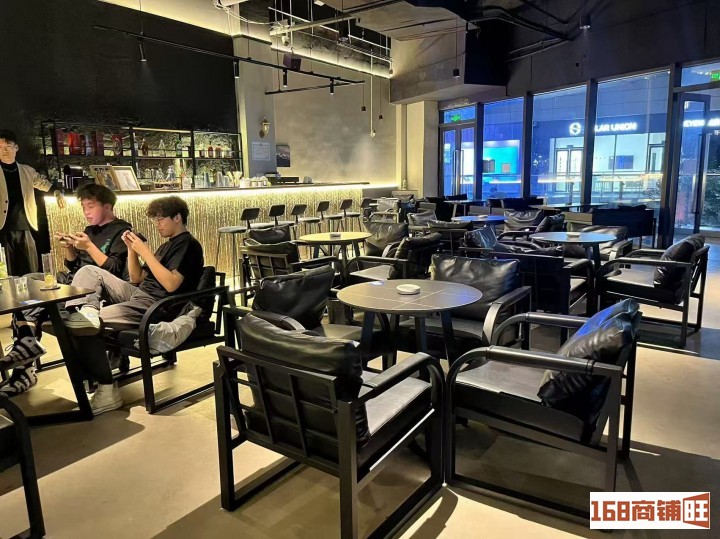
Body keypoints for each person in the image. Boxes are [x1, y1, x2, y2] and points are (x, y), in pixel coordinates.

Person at [60, 196, 204, 414]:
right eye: (155, 220)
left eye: (160, 219)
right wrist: (131, 250)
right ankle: (88, 310)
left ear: (177, 217)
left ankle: (107, 390)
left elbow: (171, 284)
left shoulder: (188, 244)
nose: (157, 225)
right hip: (140, 294)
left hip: (158, 304)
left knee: (80, 326)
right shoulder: (166, 245)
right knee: (88, 271)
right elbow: (137, 277)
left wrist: (145, 251)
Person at [0, 184, 133, 397]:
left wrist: (89, 246)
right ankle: (26, 345)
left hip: (97, 290)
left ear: (108, 206)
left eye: (90, 206)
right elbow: (74, 267)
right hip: (75, 282)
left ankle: (23, 367)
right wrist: (70, 249)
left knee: (40, 303)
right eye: (83, 207)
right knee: (28, 282)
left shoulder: (122, 231)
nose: (86, 212)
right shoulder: (89, 231)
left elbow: (114, 269)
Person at [0, 129, 65, 276]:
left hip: (26, 225)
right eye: (0, 147)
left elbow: (44, 184)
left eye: (8, 147)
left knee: (30, 269)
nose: (4, 151)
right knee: (6, 272)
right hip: (2, 228)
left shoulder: (27, 171)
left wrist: (56, 192)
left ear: (16, 148)